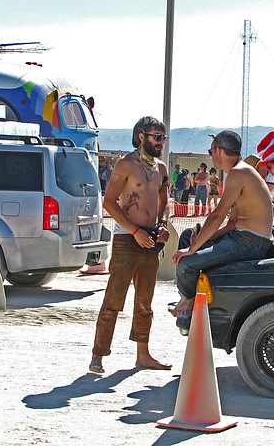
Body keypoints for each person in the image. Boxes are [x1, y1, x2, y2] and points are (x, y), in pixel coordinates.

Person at [90, 116, 171, 374]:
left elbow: (164, 201)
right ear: (141, 136)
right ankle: (98, 355)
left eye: (163, 137)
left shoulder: (161, 168)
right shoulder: (125, 164)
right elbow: (109, 202)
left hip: (151, 240)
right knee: (114, 298)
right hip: (127, 238)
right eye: (156, 136)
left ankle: (143, 355)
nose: (160, 142)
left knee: (145, 302)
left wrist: (164, 224)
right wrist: (134, 230)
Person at [170, 130, 273, 317]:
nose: (210, 157)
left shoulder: (238, 172)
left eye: (210, 152)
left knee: (186, 263)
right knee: (187, 235)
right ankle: (187, 296)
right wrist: (198, 237)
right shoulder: (241, 171)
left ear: (218, 150)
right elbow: (232, 223)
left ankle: (188, 300)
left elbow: (218, 214)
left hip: (249, 243)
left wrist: (193, 249)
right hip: (241, 237)